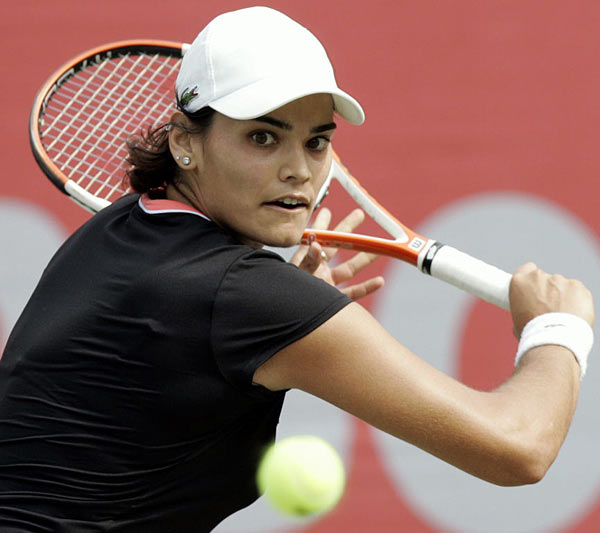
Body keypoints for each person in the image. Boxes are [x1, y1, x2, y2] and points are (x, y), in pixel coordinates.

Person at [0, 6, 594, 533]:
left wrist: (280, 313)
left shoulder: (122, 229)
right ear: (185, 142)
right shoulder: (245, 297)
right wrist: (558, 332)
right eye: (263, 137)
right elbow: (517, 450)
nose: (299, 172)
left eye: (316, 142)